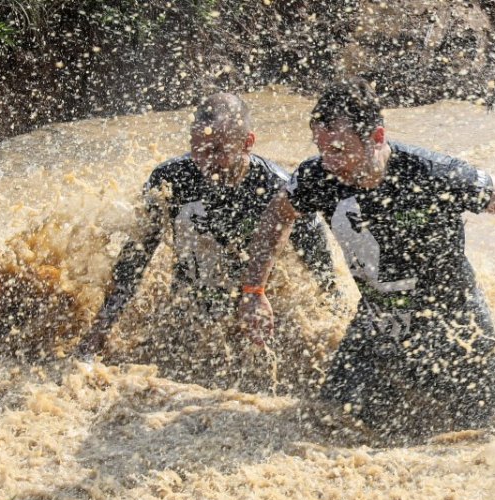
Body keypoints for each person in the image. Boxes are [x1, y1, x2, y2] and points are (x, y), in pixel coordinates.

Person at [238, 78, 495, 437]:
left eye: (339, 149)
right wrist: (255, 291)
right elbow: (278, 215)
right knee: (331, 421)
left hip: (454, 317)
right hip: (378, 317)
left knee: (478, 432)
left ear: (377, 137)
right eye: (322, 149)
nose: (329, 162)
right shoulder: (316, 177)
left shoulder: (430, 174)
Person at [74, 92, 333, 368]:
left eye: (219, 151)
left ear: (247, 143)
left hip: (254, 309)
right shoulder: (172, 179)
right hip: (188, 308)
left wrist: (332, 316)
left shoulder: (277, 188)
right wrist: (95, 338)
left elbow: (318, 260)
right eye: (199, 149)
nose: (207, 162)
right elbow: (136, 258)